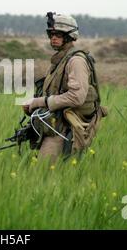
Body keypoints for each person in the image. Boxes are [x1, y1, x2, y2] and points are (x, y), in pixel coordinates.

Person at [23, 12, 107, 164]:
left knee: (43, 174)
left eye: (58, 34)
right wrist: (33, 104)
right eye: (51, 34)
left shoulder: (76, 61)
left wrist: (39, 102)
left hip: (65, 130)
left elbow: (77, 97)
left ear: (69, 36)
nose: (53, 38)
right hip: (55, 126)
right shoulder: (60, 60)